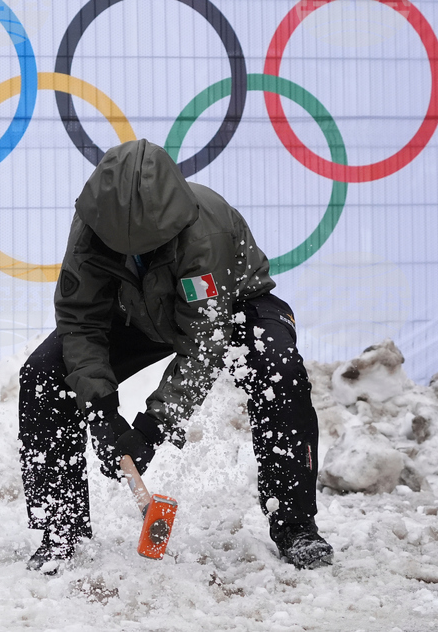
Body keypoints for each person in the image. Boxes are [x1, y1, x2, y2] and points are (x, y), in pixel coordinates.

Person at [18, 139, 333, 574]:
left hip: (233, 308)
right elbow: (81, 321)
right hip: (135, 310)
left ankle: (296, 526)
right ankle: (61, 529)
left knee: (280, 370)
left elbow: (205, 341)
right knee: (42, 375)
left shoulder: (204, 231)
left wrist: (150, 429)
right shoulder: (91, 223)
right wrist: (102, 410)